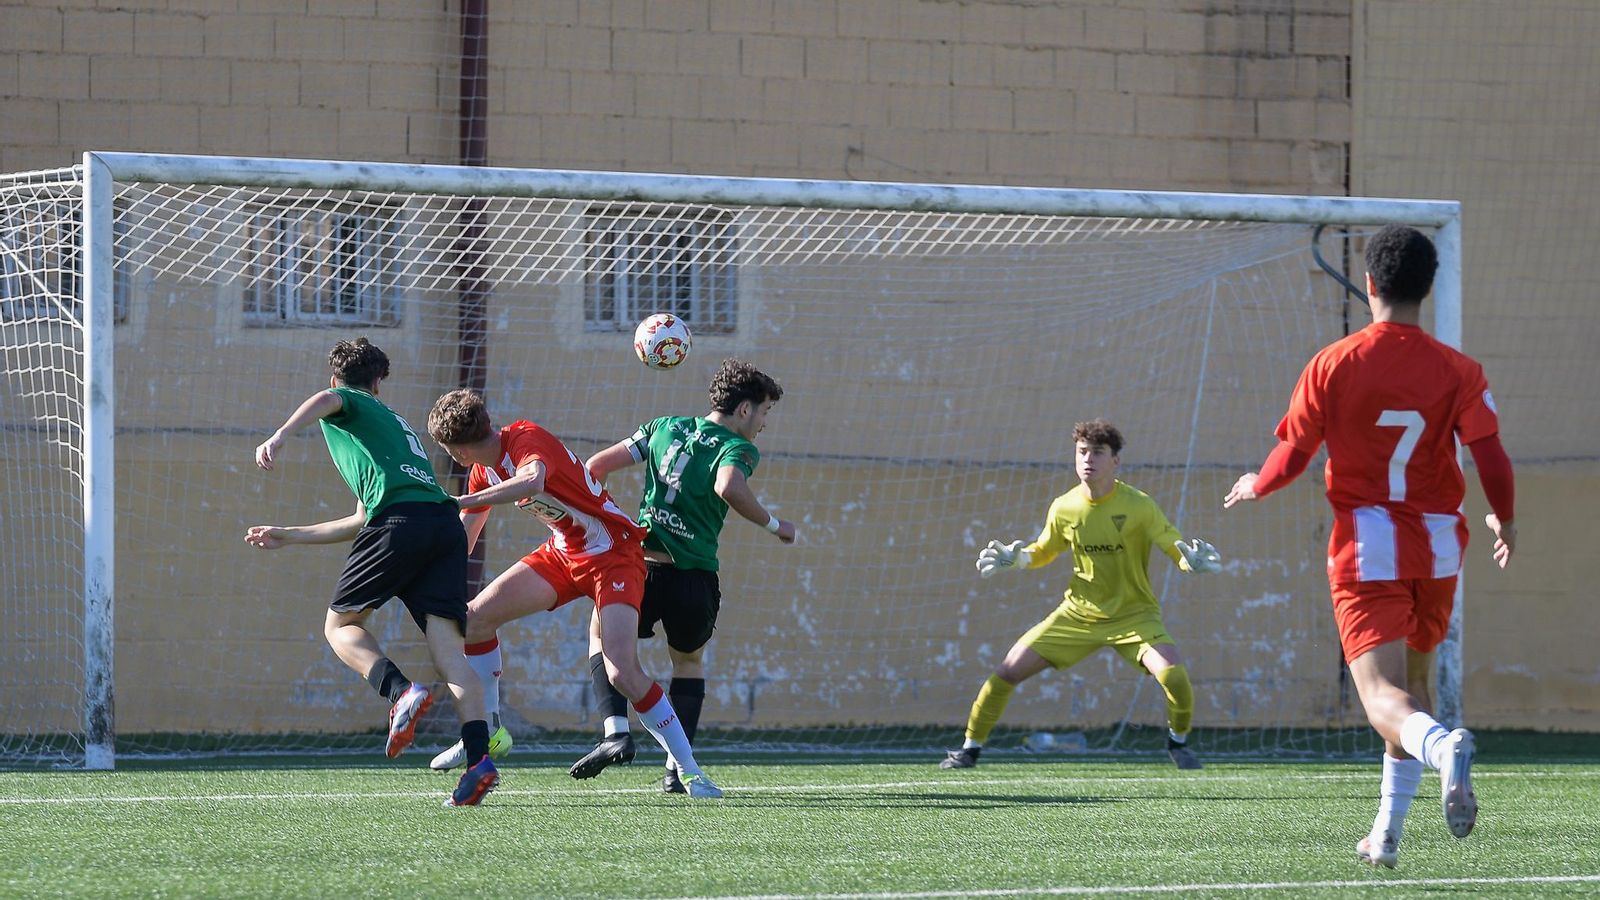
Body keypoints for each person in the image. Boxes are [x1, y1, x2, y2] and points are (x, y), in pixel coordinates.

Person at [1224, 224, 1515, 868]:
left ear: (1370, 283)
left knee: (1383, 698)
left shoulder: (1332, 363)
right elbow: (1489, 451)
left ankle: (1442, 751)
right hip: (1439, 547)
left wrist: (1256, 484)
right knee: (1413, 690)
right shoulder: (1459, 369)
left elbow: (1292, 456)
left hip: (1368, 547)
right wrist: (1505, 518)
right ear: (1429, 287)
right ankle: (1385, 834)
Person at [421, 388, 724, 799]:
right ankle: (490, 729)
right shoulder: (482, 471)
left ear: (453, 450)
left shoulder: (525, 437)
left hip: (614, 554)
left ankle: (690, 772)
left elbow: (533, 478)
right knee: (473, 621)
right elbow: (464, 537)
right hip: (564, 553)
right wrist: (429, 574)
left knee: (622, 670)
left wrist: (464, 497)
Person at [245, 337, 498, 808]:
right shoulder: (393, 425)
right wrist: (290, 534)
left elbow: (327, 401)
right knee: (451, 657)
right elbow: (363, 518)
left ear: (338, 379)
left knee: (339, 625)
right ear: (379, 381)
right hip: (443, 526)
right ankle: (480, 763)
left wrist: (279, 436)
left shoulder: (348, 402)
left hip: (401, 524)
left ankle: (400, 692)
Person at [942, 418, 1222, 772]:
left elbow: (1173, 545)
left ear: (1115, 461)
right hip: (1077, 614)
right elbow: (1044, 550)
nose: (1088, 459)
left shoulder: (1139, 505)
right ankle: (969, 750)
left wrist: (1189, 563)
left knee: (1174, 677)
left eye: (1098, 452)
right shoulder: (1064, 507)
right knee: (1006, 672)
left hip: (1135, 617)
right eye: (1082, 452)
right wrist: (1019, 559)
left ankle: (1178, 743)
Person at [567, 358, 795, 793]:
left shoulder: (661, 427)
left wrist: (605, 522)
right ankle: (677, 768)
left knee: (601, 634)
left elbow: (595, 466)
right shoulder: (738, 448)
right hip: (694, 579)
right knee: (687, 662)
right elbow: (728, 486)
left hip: (640, 568)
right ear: (744, 409)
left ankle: (615, 729)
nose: (764, 423)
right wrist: (774, 525)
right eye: (765, 411)